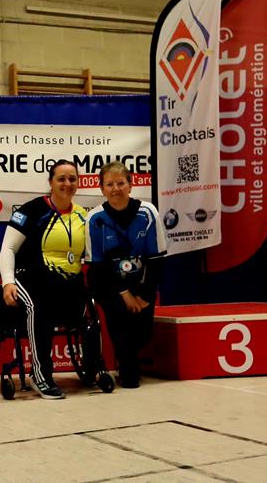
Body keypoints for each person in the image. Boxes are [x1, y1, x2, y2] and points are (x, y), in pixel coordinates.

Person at [0, 159, 88, 399]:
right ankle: (40, 376)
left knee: (86, 303)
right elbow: (8, 248)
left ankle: (93, 367)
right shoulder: (30, 211)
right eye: (61, 179)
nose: (67, 183)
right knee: (38, 308)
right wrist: (7, 281)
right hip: (28, 276)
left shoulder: (82, 215)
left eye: (72, 179)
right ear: (51, 182)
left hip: (64, 281)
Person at [85, 161, 166, 388]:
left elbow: (156, 260)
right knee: (120, 318)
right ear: (102, 189)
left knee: (144, 333)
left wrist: (144, 296)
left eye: (120, 183)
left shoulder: (148, 213)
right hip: (107, 283)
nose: (116, 189)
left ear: (130, 185)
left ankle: (128, 360)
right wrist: (125, 294)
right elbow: (98, 267)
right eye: (109, 184)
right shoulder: (95, 218)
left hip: (140, 283)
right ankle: (129, 369)